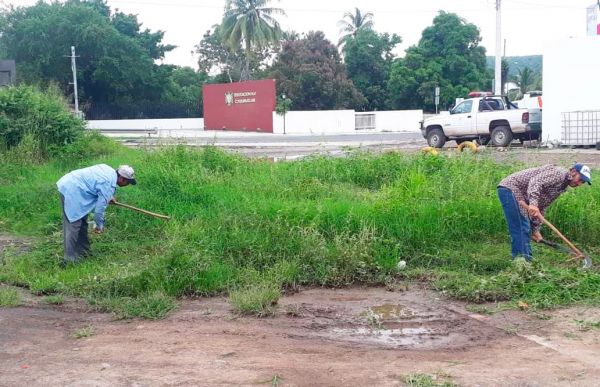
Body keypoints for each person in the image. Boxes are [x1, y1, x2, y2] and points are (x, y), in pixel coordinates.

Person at [497, 163, 591, 261]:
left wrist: (536, 229)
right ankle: (521, 261)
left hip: (521, 196)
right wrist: (533, 204)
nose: (579, 184)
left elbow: (542, 205)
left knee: (526, 228)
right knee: (521, 226)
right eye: (580, 180)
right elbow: (535, 182)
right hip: (511, 188)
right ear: (573, 172)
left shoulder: (562, 186)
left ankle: (526, 260)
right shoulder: (559, 174)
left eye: (583, 182)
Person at [56, 164, 136, 266]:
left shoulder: (109, 170)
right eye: (128, 182)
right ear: (122, 179)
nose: (127, 185)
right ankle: (68, 260)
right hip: (72, 190)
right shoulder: (108, 184)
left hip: (74, 185)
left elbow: (97, 183)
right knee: (73, 225)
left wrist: (108, 196)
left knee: (82, 222)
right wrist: (99, 226)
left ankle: (84, 252)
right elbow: (99, 211)